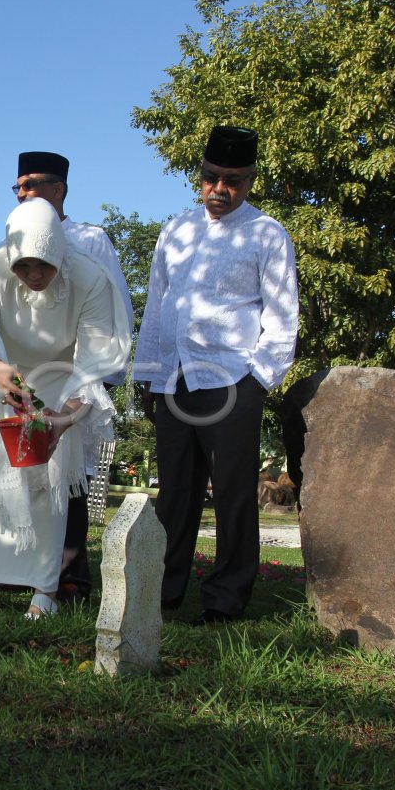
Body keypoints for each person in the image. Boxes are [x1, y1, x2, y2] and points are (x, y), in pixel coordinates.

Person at [135, 125, 299, 625]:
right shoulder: (176, 231)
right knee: (176, 494)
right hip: (175, 379)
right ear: (199, 174)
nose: (220, 189)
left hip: (232, 380)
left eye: (233, 180)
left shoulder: (267, 234)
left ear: (250, 180)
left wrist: (256, 381)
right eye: (211, 177)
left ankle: (224, 601)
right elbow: (158, 307)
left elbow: (283, 317)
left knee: (232, 493)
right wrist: (148, 373)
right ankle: (160, 596)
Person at [0, 198, 131, 617]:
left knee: (48, 485)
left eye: (43, 266)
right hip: (5, 375)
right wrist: (4, 377)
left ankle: (44, 589)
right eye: (23, 266)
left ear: (57, 253)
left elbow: (92, 362)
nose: (33, 276)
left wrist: (63, 418)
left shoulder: (89, 278)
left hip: (62, 378)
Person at [13, 150, 134, 602]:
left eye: (31, 185)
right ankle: (21, 570)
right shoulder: (14, 237)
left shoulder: (91, 238)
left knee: (71, 479)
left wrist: (98, 376)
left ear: (58, 189)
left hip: (75, 376)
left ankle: (70, 577)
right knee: (26, 476)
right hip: (29, 374)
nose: (23, 194)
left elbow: (116, 307)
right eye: (18, 187)